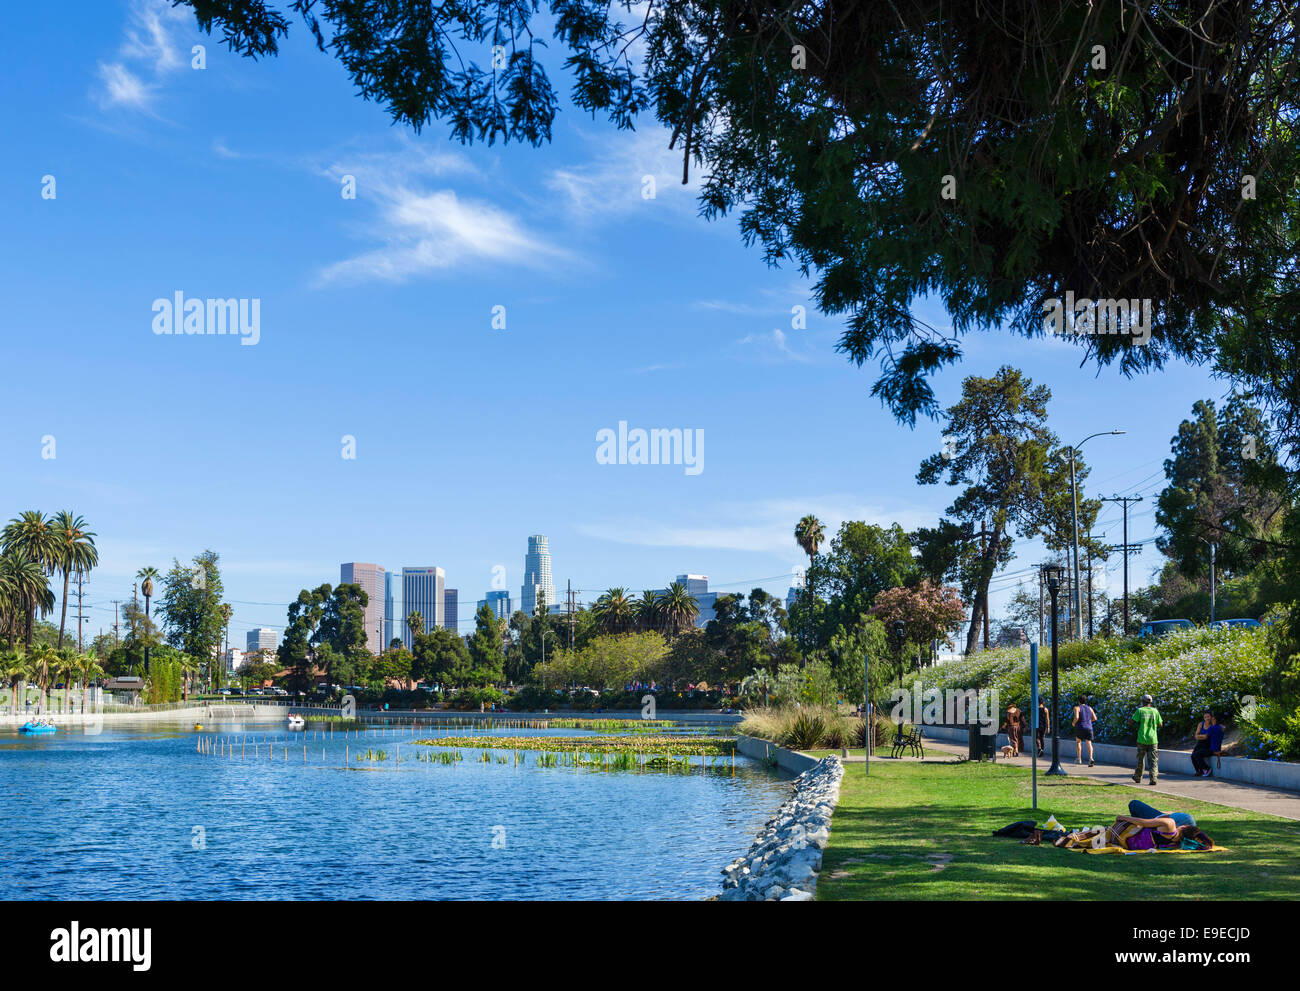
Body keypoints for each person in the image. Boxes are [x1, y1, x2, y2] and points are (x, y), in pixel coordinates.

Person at [1131, 694, 1162, 785]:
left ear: (1142, 701)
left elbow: (1131, 722)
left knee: (1140, 759)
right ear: (1151, 702)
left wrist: (1139, 725)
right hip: (1153, 739)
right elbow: (1160, 724)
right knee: (1153, 760)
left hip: (1142, 739)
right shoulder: (1155, 711)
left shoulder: (1140, 711)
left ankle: (1138, 777)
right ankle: (1153, 778)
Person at [1191, 711, 1224, 778]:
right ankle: (1199, 771)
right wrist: (1203, 736)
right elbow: (1196, 736)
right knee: (1192, 756)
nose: (1207, 718)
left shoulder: (1213, 724)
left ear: (1211, 717)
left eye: (1208, 717)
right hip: (1201, 742)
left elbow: (1222, 727)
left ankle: (1206, 769)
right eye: (1205, 717)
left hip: (1208, 743)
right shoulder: (1201, 724)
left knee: (1197, 754)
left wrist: (1201, 736)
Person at [1072, 695, 1098, 766]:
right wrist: (1088, 721)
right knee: (1089, 743)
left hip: (1080, 727)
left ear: (1078, 701)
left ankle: (1079, 758)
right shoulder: (1090, 708)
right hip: (1089, 727)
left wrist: (1073, 723)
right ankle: (1091, 758)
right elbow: (1095, 718)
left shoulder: (1076, 708)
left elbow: (1076, 717)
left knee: (1078, 742)